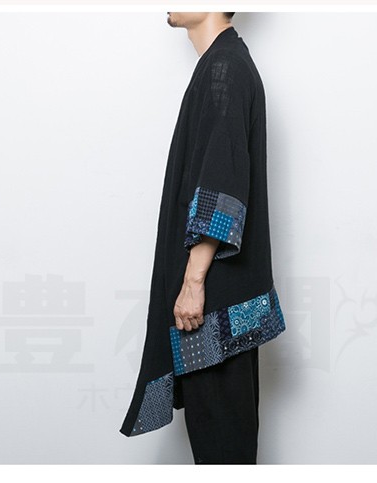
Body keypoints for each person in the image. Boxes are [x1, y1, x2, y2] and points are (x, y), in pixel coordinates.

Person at [119, 12, 286, 464]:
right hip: (220, 302)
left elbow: (223, 179)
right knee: (222, 442)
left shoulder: (224, 67)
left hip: (214, 305)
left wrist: (193, 283)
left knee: (223, 447)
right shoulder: (222, 62)